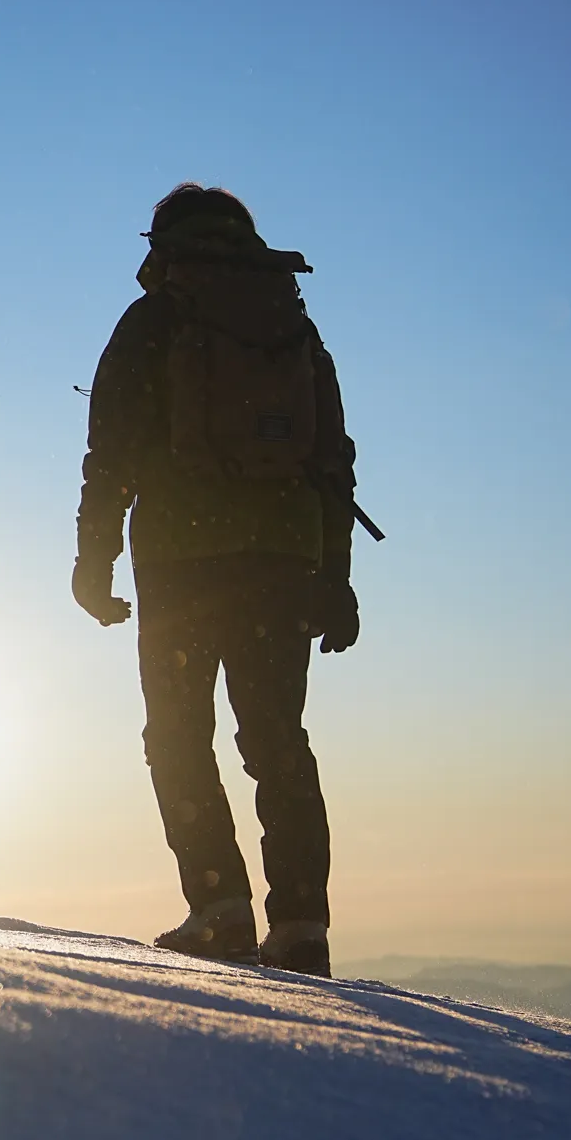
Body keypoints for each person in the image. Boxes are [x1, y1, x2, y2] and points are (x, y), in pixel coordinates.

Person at [72, 183, 361, 977]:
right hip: (285, 560)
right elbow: (333, 463)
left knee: (176, 734)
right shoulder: (291, 328)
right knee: (277, 741)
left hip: (181, 559)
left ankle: (220, 910)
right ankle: (302, 928)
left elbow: (111, 457)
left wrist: (91, 562)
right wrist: (335, 578)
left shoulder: (155, 321)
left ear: (164, 244)